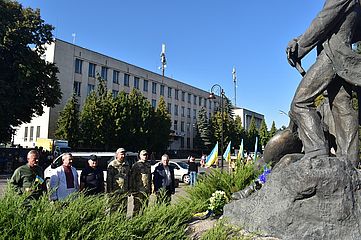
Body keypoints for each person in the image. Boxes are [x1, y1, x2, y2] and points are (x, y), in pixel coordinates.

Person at [286, 0, 361, 166]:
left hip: (331, 56)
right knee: (342, 108)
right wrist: (298, 40)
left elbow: (323, 21)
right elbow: (329, 24)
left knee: (299, 103)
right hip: (342, 58)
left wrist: (300, 48)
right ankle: (349, 161)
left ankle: (316, 150)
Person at [106, 148, 131, 212]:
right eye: (121, 154)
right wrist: (110, 192)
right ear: (117, 155)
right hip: (115, 192)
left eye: (124, 154)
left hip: (124, 191)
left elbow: (129, 177)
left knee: (124, 209)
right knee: (114, 209)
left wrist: (129, 189)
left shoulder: (127, 164)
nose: (123, 156)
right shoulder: (112, 165)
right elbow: (109, 180)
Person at [130, 149, 152, 215]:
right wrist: (133, 190)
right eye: (143, 155)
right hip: (138, 190)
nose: (145, 156)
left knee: (145, 207)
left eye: (146, 155)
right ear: (140, 156)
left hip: (146, 190)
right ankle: (135, 222)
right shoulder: (136, 165)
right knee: (137, 208)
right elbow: (132, 178)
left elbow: (149, 177)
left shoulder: (148, 165)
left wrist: (150, 188)